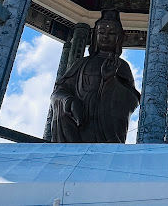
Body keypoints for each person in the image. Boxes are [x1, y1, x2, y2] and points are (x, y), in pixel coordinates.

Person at [50, 9, 140, 142]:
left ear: (119, 38)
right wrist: (69, 102)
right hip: (78, 118)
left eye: (111, 33)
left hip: (104, 125)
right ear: (94, 36)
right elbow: (59, 91)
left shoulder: (121, 65)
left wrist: (110, 80)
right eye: (101, 32)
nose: (105, 37)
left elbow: (132, 100)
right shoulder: (81, 63)